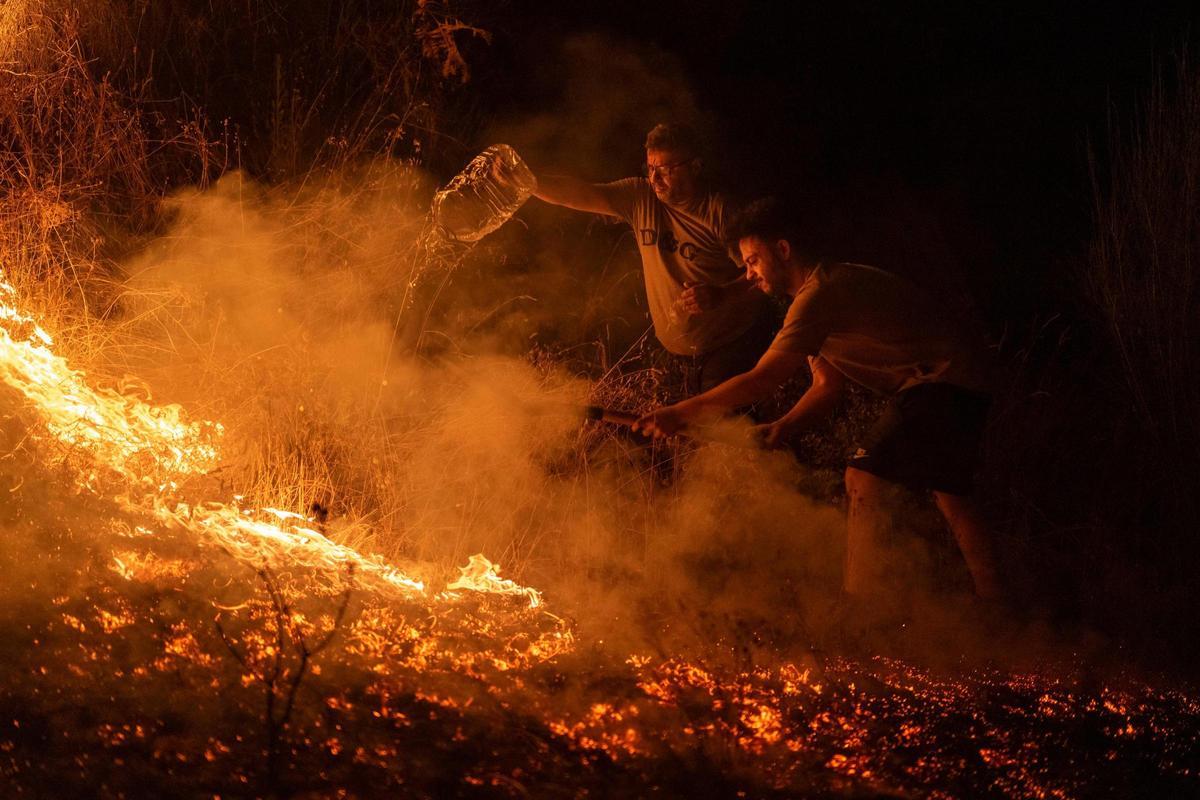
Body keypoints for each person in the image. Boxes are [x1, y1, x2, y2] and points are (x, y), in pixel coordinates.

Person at [633, 197, 1003, 602]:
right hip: (957, 380)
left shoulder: (819, 294)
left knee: (863, 477)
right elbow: (826, 384)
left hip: (943, 378)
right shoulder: (812, 300)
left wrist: (681, 412)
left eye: (753, 261)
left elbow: (764, 377)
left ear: (783, 250)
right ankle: (996, 605)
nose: (750, 274)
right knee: (951, 493)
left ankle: (861, 608)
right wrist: (785, 426)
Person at [532, 123, 773, 396]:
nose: (655, 179)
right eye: (650, 168)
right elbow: (576, 194)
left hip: (728, 346)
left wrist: (723, 294)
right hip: (674, 352)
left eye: (666, 170)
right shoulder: (640, 197)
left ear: (695, 166)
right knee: (676, 433)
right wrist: (525, 180)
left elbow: (767, 273)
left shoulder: (719, 212)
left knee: (723, 431)